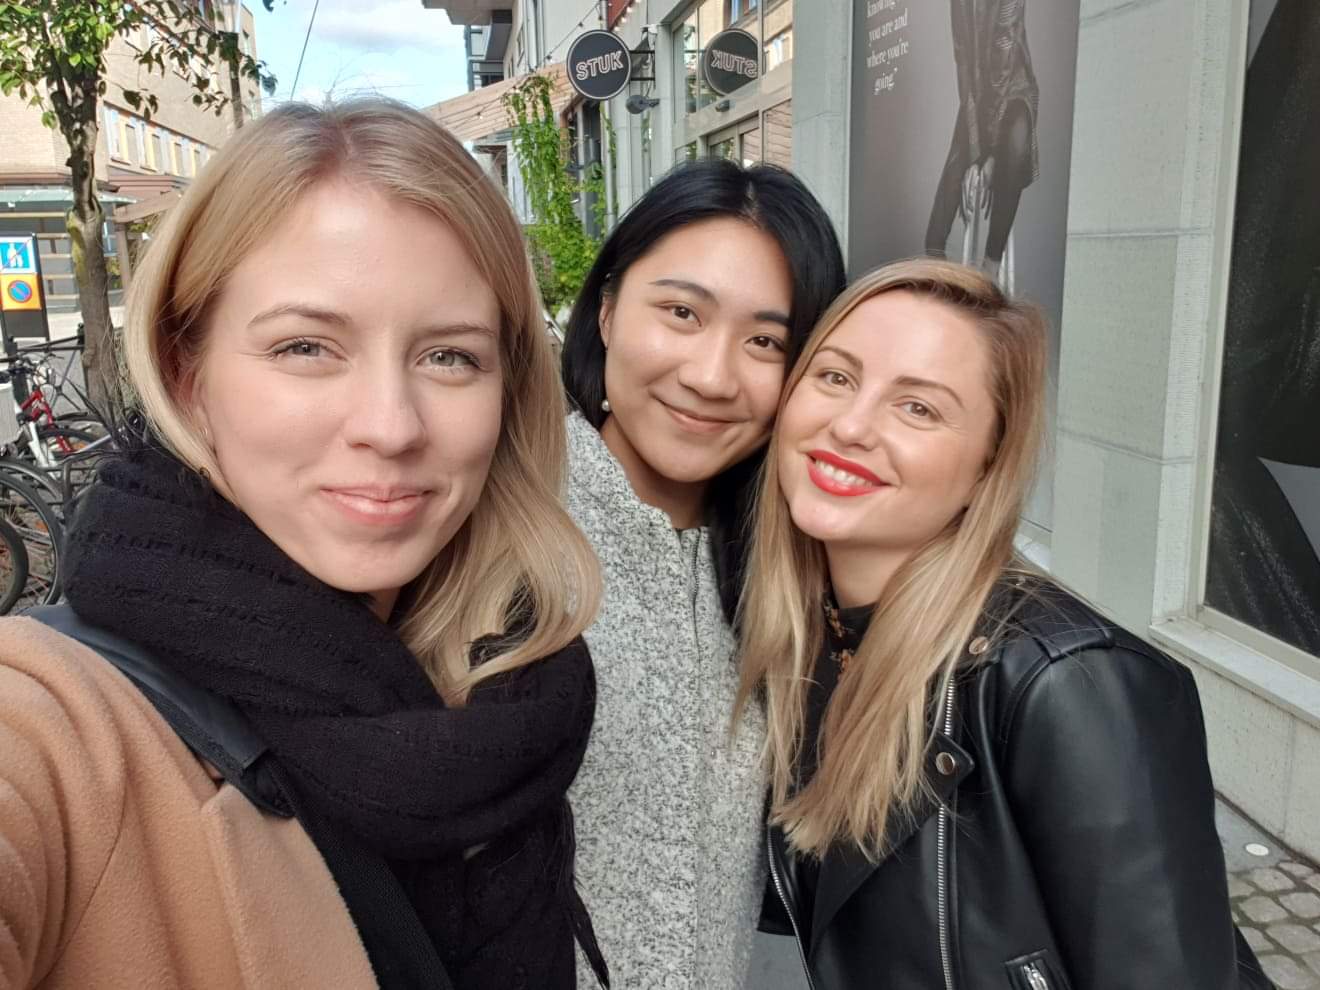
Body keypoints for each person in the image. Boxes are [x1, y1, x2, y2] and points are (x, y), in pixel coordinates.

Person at [0, 99, 605, 990]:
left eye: (449, 357)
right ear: (186, 371)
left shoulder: (503, 683)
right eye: (306, 346)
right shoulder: (54, 726)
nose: (391, 426)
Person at [738, 258, 1271, 989]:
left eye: (918, 407)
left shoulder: (1072, 684)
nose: (852, 425)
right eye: (834, 376)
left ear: (988, 464)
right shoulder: (810, 639)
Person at [560, 157, 846, 988]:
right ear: (608, 308)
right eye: (681, 312)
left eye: (766, 341)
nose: (713, 377)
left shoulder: (788, 564)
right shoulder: (495, 523)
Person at [925, 0, 1040, 284]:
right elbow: (963, 63)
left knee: (1014, 145)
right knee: (950, 183)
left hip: (1013, 92)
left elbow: (1003, 61)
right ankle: (933, 270)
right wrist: (976, 151)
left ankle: (991, 263)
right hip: (977, 101)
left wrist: (991, 155)